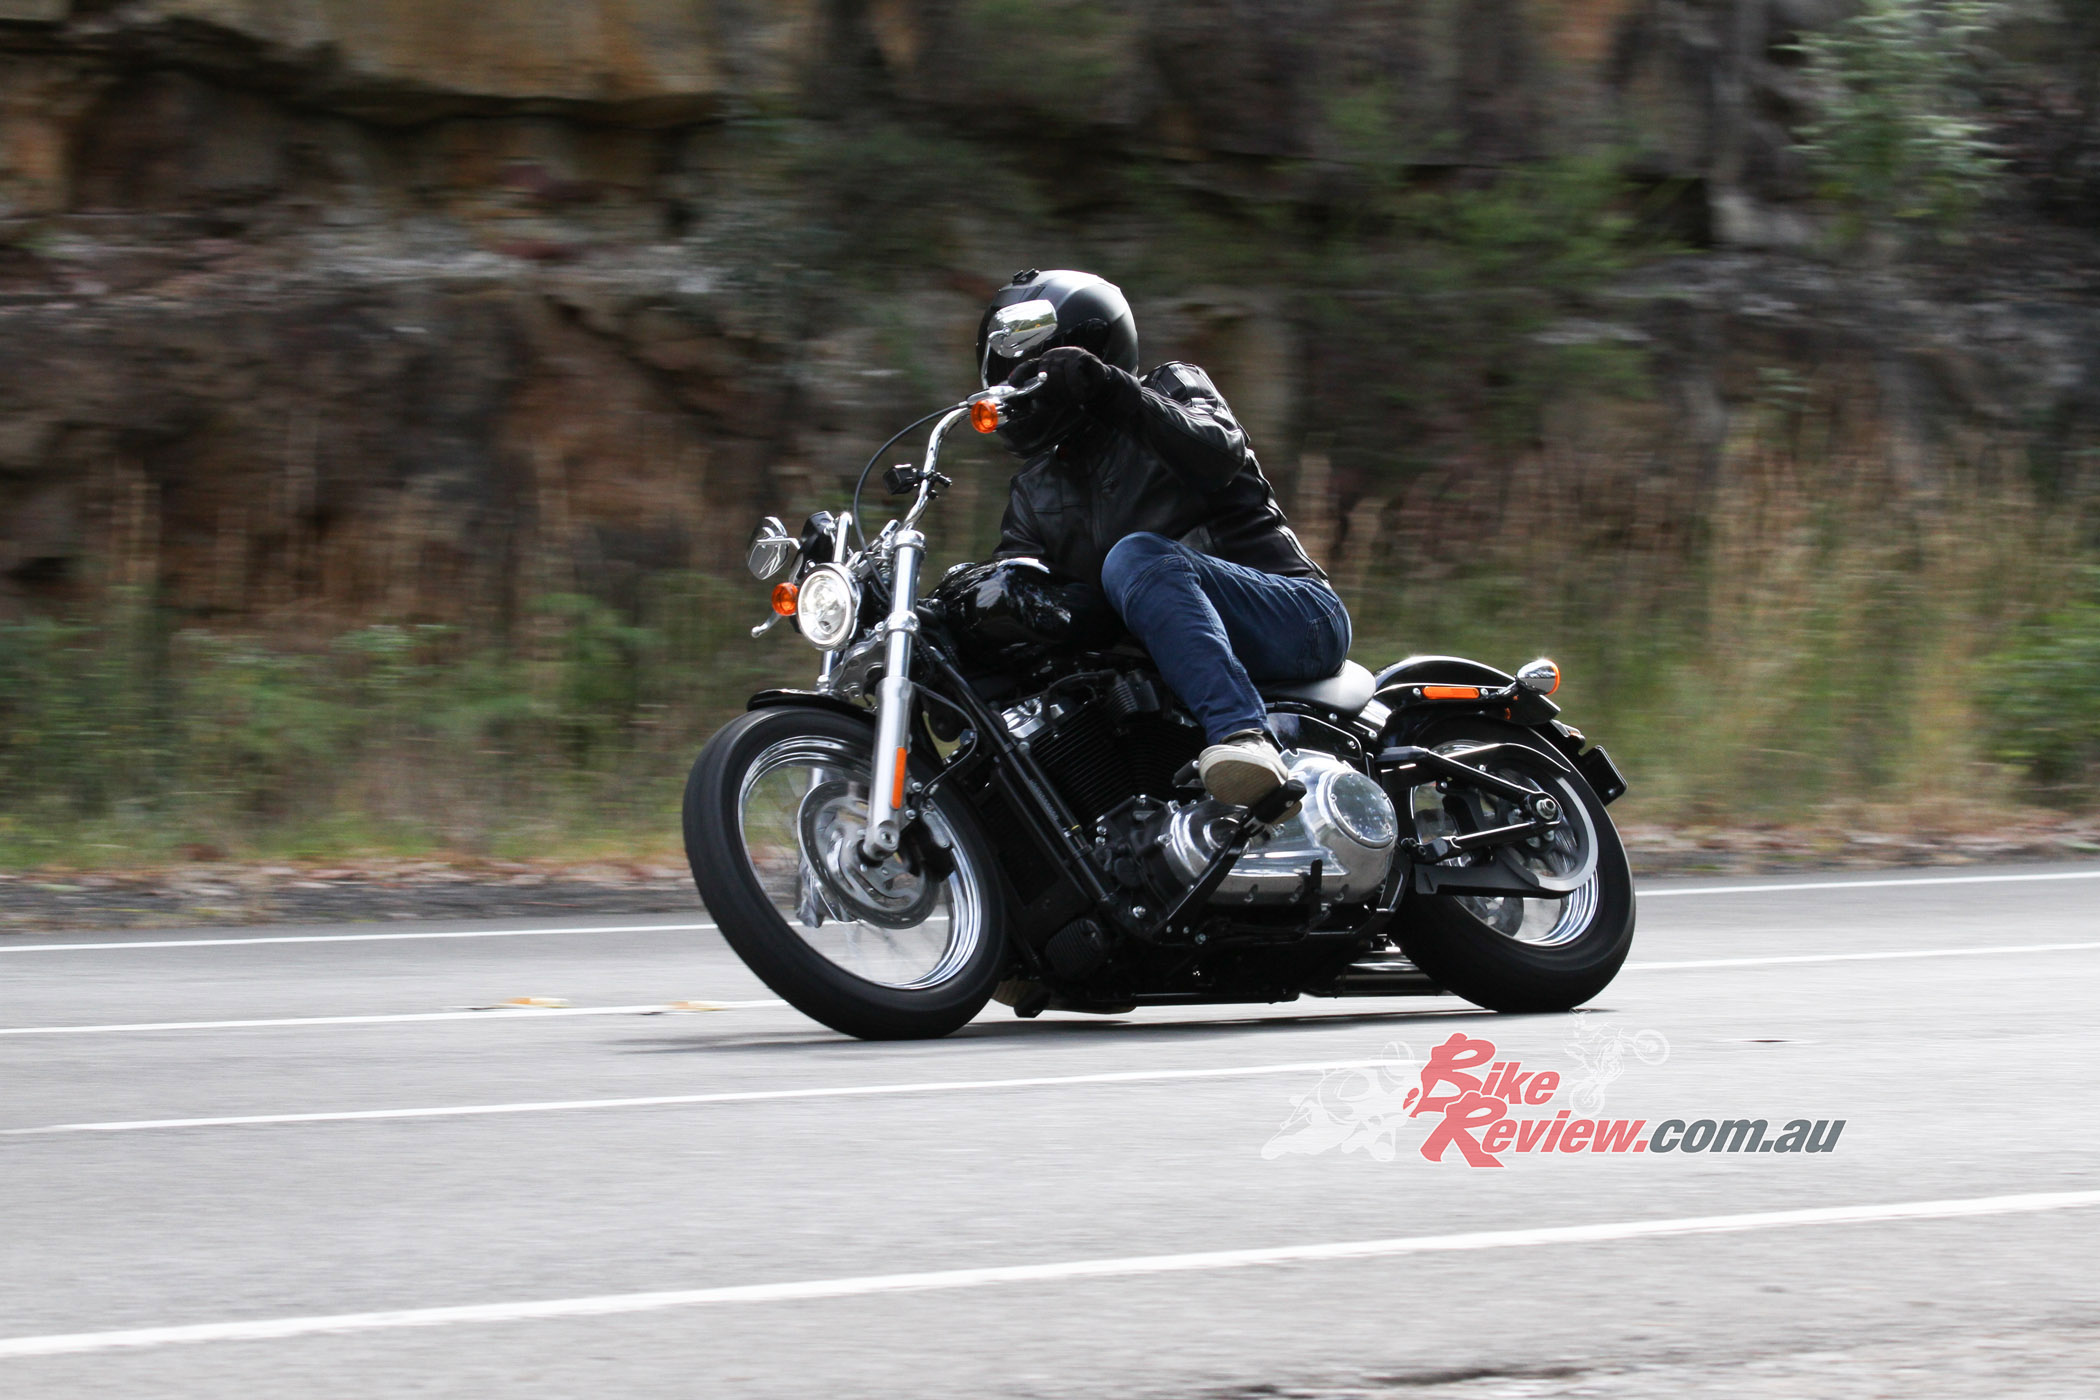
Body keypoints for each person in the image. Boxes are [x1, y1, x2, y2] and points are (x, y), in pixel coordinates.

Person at [979, 268, 1351, 808]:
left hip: (1296, 616)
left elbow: (1217, 453)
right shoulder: (1033, 490)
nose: (1015, 386)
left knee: (1134, 556)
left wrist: (1110, 390)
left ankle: (1244, 738)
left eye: (1031, 370)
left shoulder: (1172, 387)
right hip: (1158, 657)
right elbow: (1032, 595)